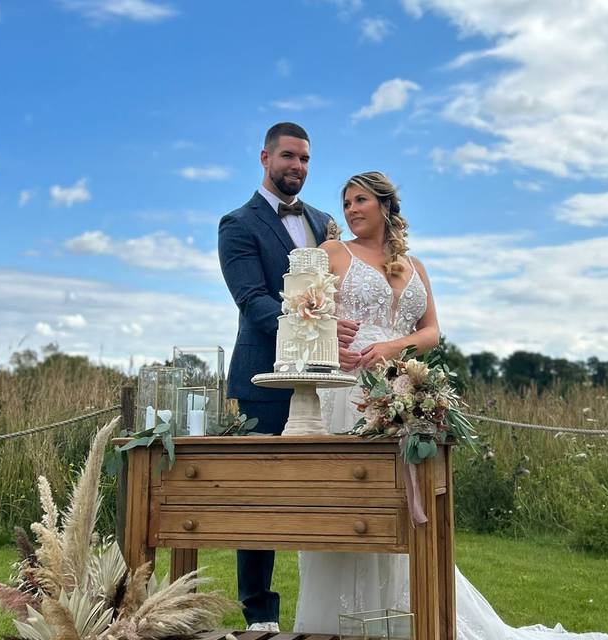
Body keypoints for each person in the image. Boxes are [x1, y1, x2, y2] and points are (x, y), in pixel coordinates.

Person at [293, 171, 608, 640]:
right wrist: (333, 339)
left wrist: (397, 347)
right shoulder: (333, 254)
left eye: (361, 200)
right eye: (346, 202)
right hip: (347, 392)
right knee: (354, 506)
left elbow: (432, 331)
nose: (350, 209)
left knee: (405, 505)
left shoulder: (414, 265)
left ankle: (412, 616)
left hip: (400, 392)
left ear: (386, 206)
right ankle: (340, 623)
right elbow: (301, 315)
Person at [217, 122, 358, 632]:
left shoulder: (325, 222)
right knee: (261, 495)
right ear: (264, 158)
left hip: (328, 379)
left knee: (332, 489)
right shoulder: (237, 223)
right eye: (288, 157)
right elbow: (252, 301)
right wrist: (316, 323)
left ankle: (344, 602)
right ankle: (259, 614)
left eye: (304, 159)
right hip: (262, 377)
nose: (297, 167)